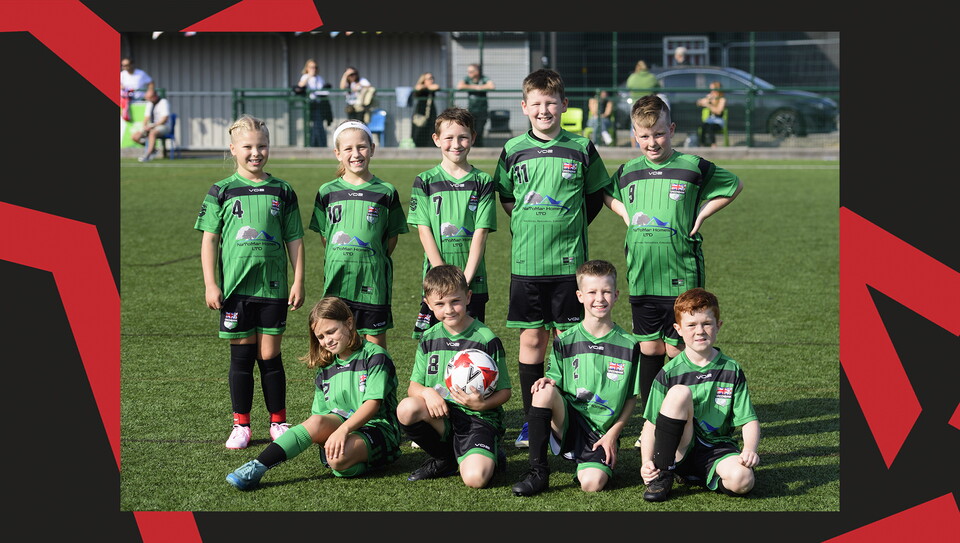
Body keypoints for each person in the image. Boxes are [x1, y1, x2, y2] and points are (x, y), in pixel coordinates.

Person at [605, 94, 742, 448]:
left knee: (680, 351)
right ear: (634, 134)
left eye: (660, 134)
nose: (652, 142)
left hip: (681, 273)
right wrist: (626, 214)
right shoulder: (628, 171)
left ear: (672, 130)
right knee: (649, 349)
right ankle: (652, 423)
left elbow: (734, 185)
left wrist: (702, 214)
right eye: (644, 136)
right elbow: (607, 194)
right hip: (642, 275)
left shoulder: (693, 166)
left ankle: (686, 421)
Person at [492, 68, 613, 449]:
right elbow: (507, 196)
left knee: (568, 343)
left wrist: (570, 225)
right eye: (537, 104)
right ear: (524, 107)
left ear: (564, 105)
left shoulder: (581, 147)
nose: (544, 110)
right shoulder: (513, 149)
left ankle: (570, 418)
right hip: (527, 265)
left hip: (568, 266)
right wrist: (530, 224)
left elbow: (595, 195)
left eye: (551, 103)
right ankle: (533, 420)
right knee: (531, 341)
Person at [194, 114, 306, 450]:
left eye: (262, 146)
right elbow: (210, 240)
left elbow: (295, 239)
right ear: (233, 149)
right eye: (248, 147)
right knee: (241, 357)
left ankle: (278, 420)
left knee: (270, 356)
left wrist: (298, 280)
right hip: (236, 291)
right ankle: (241, 424)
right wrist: (211, 284)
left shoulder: (282, 190)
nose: (256, 153)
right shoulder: (222, 190)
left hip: (273, 288)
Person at [226, 296, 402, 490]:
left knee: (337, 460)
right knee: (317, 422)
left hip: (378, 427)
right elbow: (321, 416)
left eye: (331, 332)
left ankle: (366, 460)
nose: (327, 341)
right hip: (342, 424)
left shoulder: (375, 356)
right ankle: (257, 467)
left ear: (349, 323)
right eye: (320, 337)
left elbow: (373, 404)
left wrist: (343, 431)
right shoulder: (326, 368)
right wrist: (332, 433)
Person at [511, 260, 640, 496]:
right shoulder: (565, 340)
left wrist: (613, 435)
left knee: (591, 484)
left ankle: (590, 462)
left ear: (616, 295)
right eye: (592, 292)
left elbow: (631, 398)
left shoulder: (629, 344)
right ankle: (538, 472)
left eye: (606, 292)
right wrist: (546, 382)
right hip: (568, 423)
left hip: (601, 432)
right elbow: (554, 380)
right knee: (543, 390)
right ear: (580, 296)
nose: (599, 298)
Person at [639, 287, 760, 502]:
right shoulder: (670, 372)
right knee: (679, 393)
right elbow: (650, 424)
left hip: (718, 449)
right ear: (678, 329)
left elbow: (749, 419)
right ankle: (665, 474)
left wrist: (750, 449)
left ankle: (703, 475)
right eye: (692, 325)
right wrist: (646, 462)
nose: (700, 331)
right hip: (680, 450)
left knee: (744, 480)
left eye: (706, 323)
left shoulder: (731, 369)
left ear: (718, 326)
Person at [397, 265, 512, 488]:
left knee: (475, 479)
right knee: (406, 408)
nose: (448, 310)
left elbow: (505, 391)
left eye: (455, 301)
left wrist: (482, 404)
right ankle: (445, 459)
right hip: (442, 415)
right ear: (428, 304)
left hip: (478, 418)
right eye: (439, 304)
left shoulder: (486, 339)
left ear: (468, 297)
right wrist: (427, 392)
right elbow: (413, 386)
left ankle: (492, 452)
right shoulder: (429, 338)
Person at [309, 120, 409, 350]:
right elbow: (327, 236)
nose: (356, 154)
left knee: (374, 347)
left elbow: (391, 238)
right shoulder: (327, 192)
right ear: (337, 153)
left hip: (373, 280)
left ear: (372, 149)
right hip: (338, 279)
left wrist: (370, 257)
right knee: (337, 343)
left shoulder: (386, 191)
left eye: (362, 147)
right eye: (348, 149)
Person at [408, 107, 496, 339]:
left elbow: (481, 232)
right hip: (436, 279)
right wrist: (442, 275)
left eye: (463, 137)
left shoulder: (483, 181)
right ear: (437, 140)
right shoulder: (425, 181)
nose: (455, 144)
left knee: (473, 342)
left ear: (473, 138)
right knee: (433, 341)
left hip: (473, 280)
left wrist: (464, 281)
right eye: (448, 137)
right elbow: (423, 230)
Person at [457, 64, 495, 147]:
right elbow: (460, 86)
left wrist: (480, 87)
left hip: (482, 110)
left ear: (477, 72)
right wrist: (475, 87)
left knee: (479, 130)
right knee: (471, 130)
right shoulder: (467, 79)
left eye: (471, 71)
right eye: (468, 71)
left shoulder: (483, 78)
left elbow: (491, 86)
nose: (469, 73)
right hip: (471, 110)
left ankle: (479, 147)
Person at [625, 61, 660, 149]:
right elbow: (658, 88)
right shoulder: (652, 77)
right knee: (650, 126)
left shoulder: (633, 77)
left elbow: (628, 87)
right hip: (649, 105)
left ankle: (634, 149)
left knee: (633, 126)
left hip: (635, 105)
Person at [297, 59, 331, 147]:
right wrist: (309, 76)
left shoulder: (319, 78)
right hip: (310, 104)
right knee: (314, 125)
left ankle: (320, 144)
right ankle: (313, 144)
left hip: (319, 103)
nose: (314, 69)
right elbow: (300, 86)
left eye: (315, 67)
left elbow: (323, 90)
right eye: (312, 67)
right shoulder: (305, 77)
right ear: (307, 68)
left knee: (319, 124)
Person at [131, 88, 171, 162]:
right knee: (135, 136)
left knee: (152, 133)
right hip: (151, 126)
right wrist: (144, 126)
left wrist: (153, 126)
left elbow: (165, 118)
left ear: (155, 96)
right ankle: (153, 149)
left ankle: (147, 155)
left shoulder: (163, 102)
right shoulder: (149, 103)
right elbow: (147, 117)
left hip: (164, 126)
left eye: (150, 98)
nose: (148, 100)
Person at [411, 72, 440, 148]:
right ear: (424, 80)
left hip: (430, 111)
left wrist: (428, 87)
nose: (431, 80)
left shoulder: (432, 87)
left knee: (431, 128)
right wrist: (426, 86)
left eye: (432, 78)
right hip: (420, 111)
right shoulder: (421, 87)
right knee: (419, 129)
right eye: (429, 78)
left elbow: (436, 87)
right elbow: (418, 88)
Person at [696, 81, 726, 147]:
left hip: (718, 121)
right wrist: (704, 101)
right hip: (710, 120)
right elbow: (698, 103)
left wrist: (709, 105)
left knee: (710, 127)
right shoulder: (710, 98)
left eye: (713, 89)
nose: (711, 91)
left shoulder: (722, 99)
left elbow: (718, 111)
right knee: (704, 125)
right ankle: (702, 144)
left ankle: (713, 144)